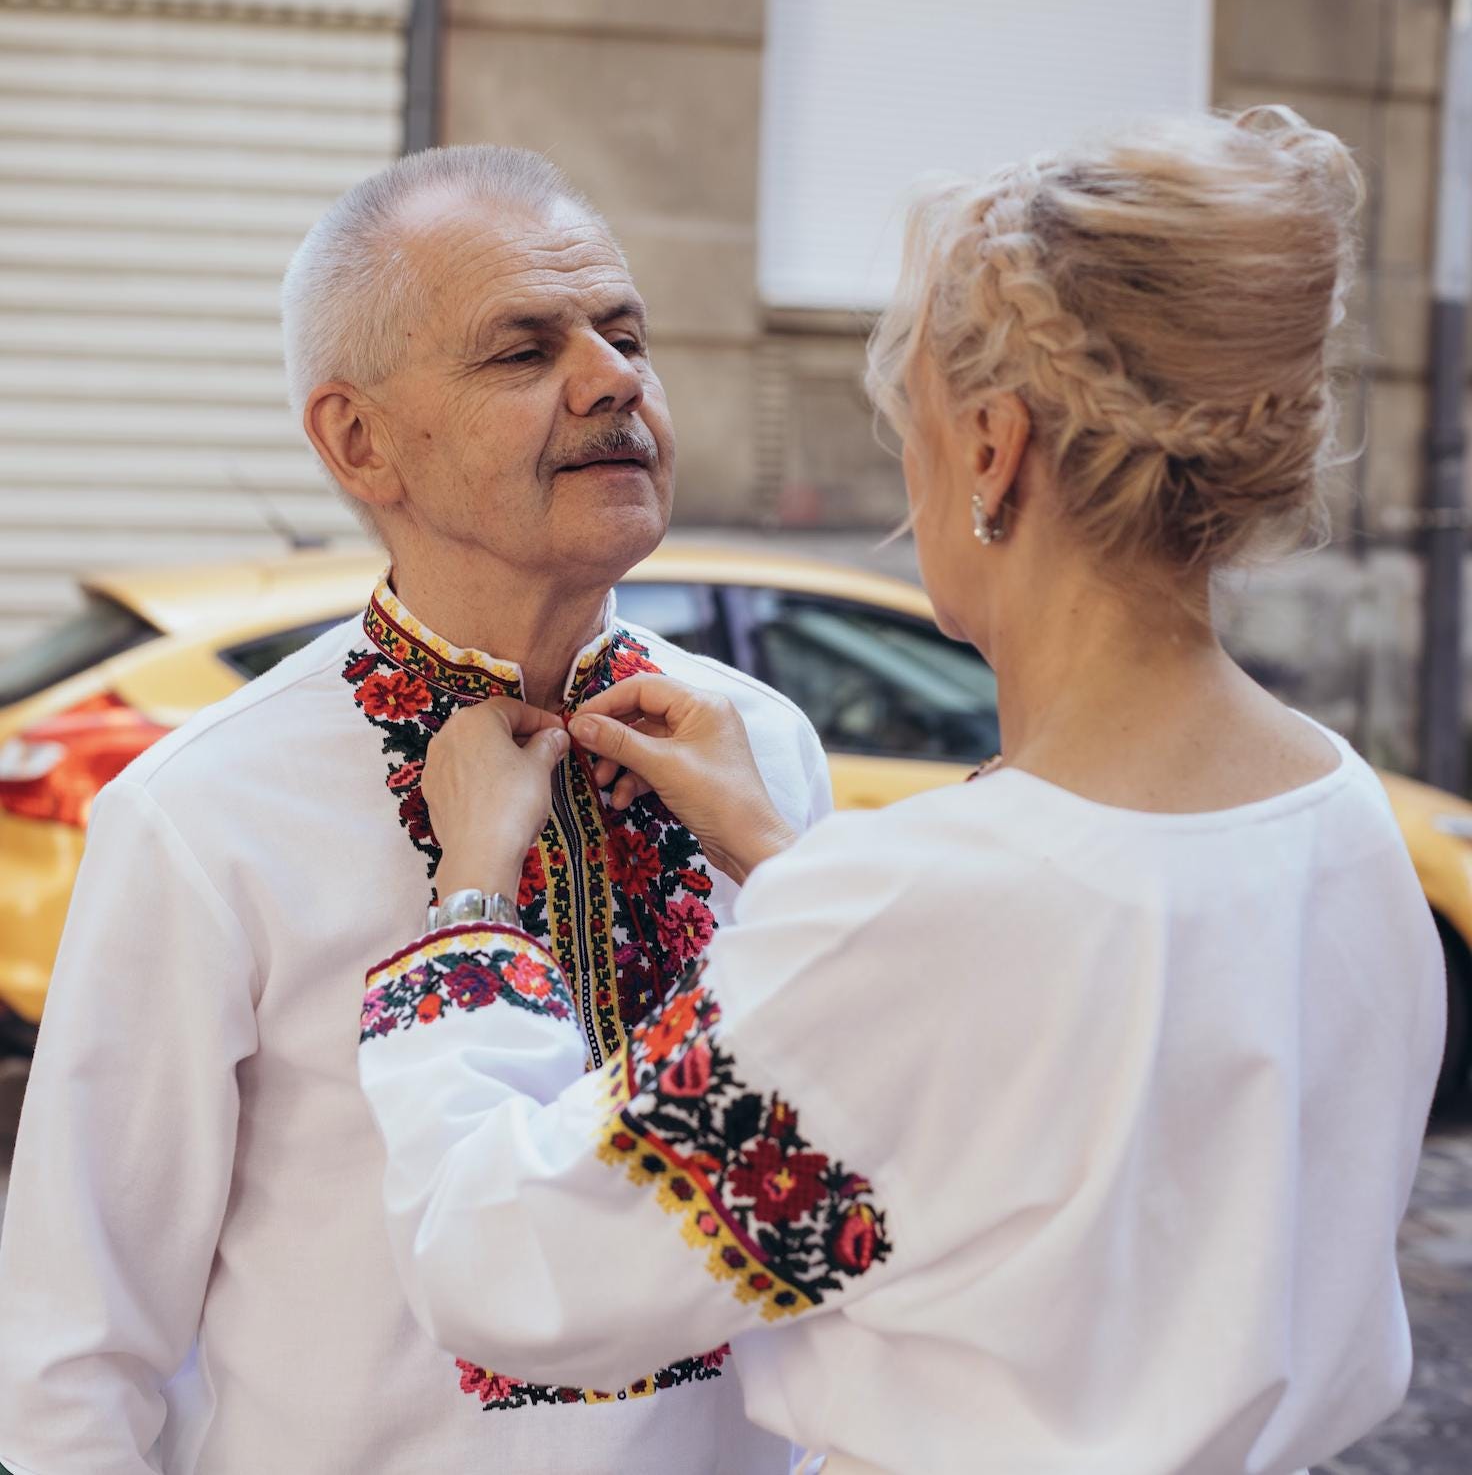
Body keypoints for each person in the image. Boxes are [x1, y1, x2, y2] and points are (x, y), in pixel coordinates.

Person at [353, 109, 1446, 1475]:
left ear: (992, 447)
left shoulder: (925, 922)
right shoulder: (1345, 826)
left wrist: (468, 904)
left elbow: (510, 1264)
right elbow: (1020, 1072)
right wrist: (780, 853)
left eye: (910, 426)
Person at [0, 147, 826, 1474]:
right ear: (359, 439)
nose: (614, 379)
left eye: (627, 334)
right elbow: (76, 1351)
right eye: (523, 349)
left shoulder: (760, 753)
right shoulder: (206, 811)